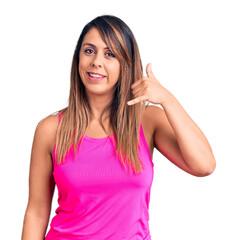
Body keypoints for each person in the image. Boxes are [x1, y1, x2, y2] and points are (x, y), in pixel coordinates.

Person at [21, 14, 216, 240]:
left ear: (126, 64)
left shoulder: (147, 121)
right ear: (78, 59)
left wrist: (167, 99)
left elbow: (204, 165)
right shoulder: (50, 129)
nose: (97, 62)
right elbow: (36, 213)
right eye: (89, 50)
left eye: (110, 54)